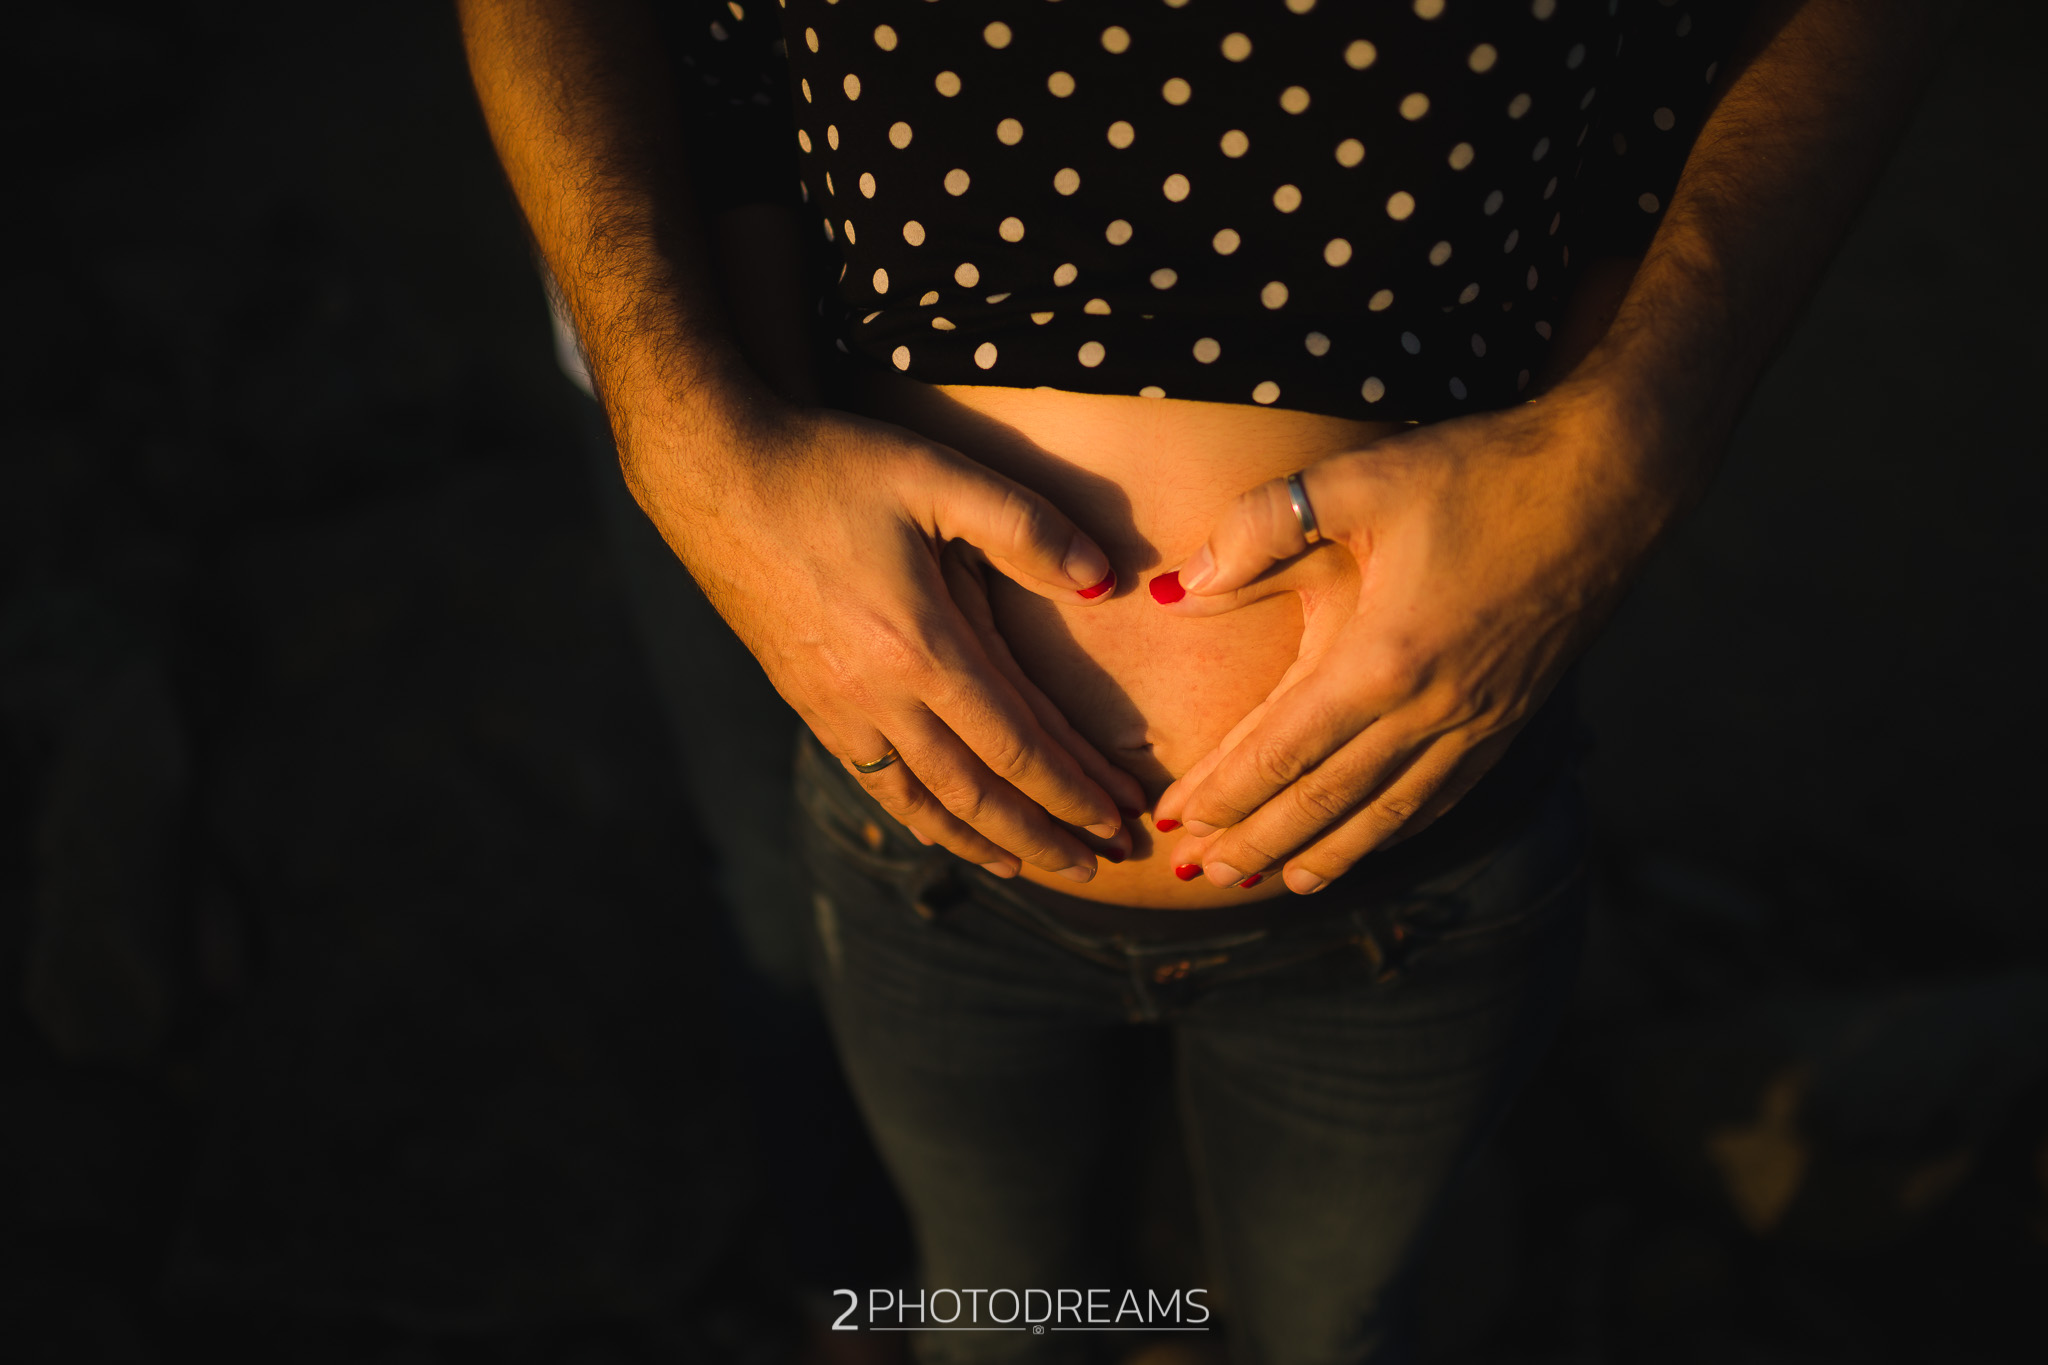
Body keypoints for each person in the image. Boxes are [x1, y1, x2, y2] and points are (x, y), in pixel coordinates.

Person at [458, 1, 1951, 1360]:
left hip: (1412, 893)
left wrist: (1638, 435)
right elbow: (714, 92)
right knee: (993, 1314)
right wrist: (687, 431)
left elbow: (1705, 83)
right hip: (929, 869)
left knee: (1333, 1330)